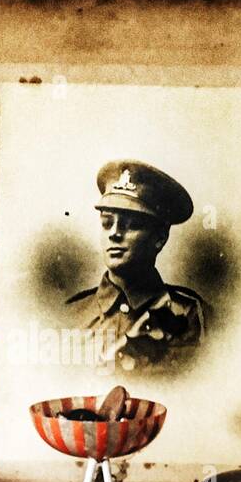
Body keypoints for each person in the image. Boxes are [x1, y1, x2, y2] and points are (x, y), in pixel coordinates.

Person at [63, 159, 209, 372]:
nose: (114, 233)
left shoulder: (191, 315)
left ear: (160, 238)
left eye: (131, 225)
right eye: (107, 223)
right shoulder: (71, 313)